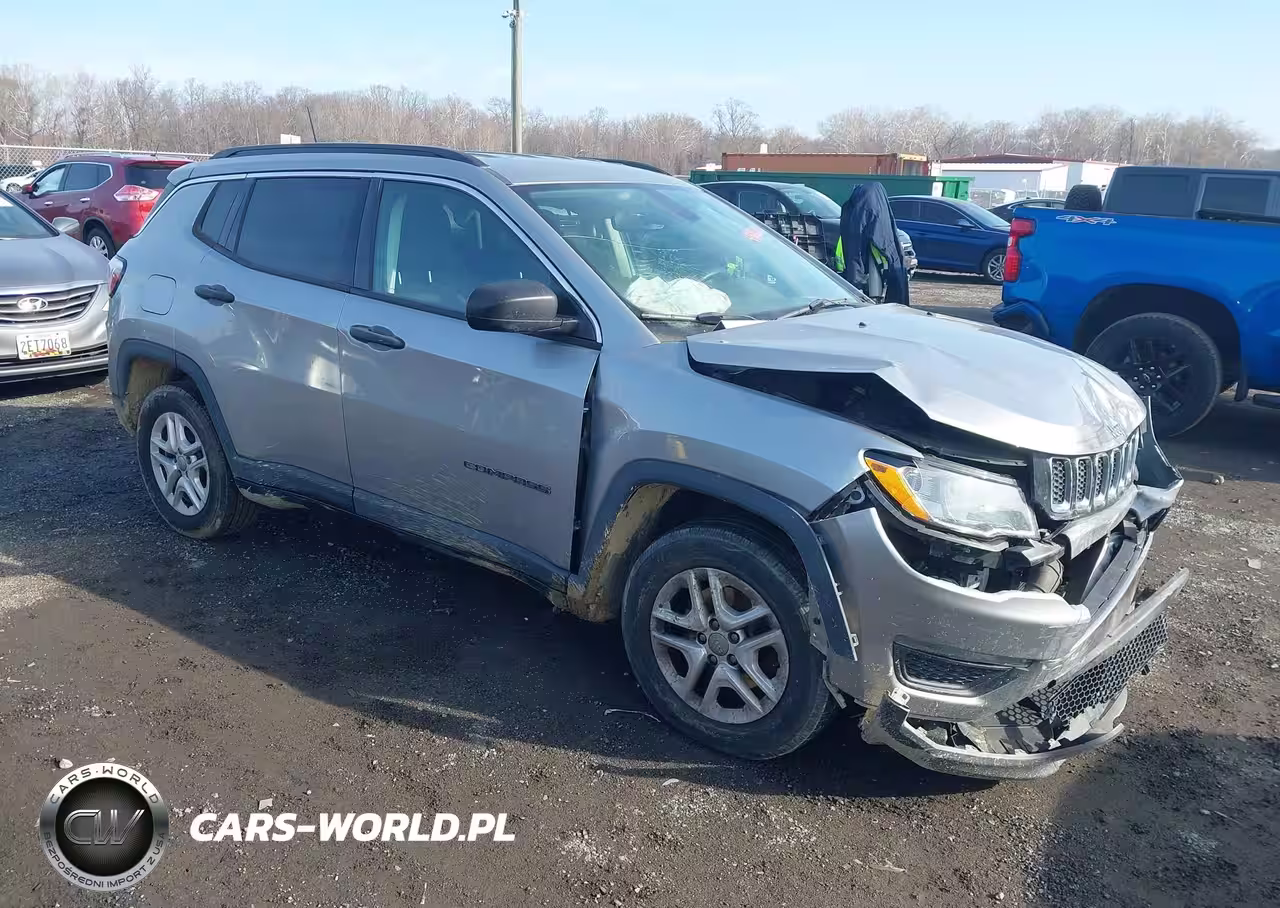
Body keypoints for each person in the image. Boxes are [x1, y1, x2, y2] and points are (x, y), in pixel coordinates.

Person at [836, 182, 909, 305]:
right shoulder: (877, 209)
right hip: (876, 268)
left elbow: (854, 246)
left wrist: (855, 278)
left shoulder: (855, 209)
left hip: (866, 269)